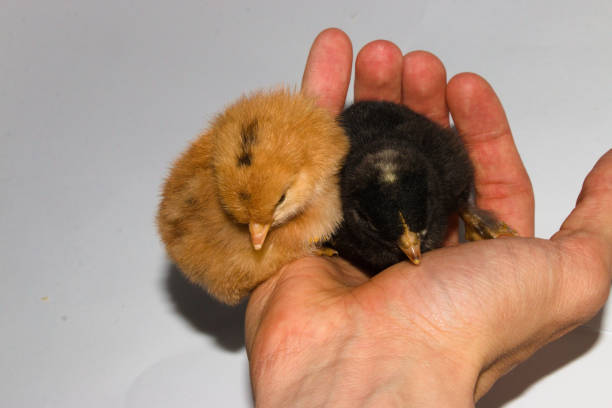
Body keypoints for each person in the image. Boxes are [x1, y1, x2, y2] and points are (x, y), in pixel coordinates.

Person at [245, 28, 612, 407]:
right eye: (404, 238)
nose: (414, 250)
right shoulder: (332, 206)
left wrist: (465, 209)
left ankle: (464, 210)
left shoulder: (443, 171)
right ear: (355, 215)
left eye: (415, 234)